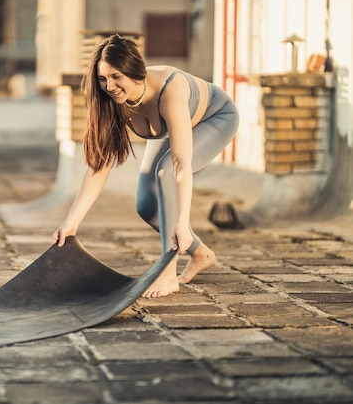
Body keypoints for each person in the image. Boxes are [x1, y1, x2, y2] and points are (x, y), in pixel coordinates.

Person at [52, 34, 239, 298]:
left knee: (164, 174)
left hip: (215, 118)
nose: (109, 86)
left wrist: (183, 221)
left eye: (116, 77)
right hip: (172, 129)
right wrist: (71, 222)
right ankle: (201, 254)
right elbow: (99, 166)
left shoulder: (169, 92)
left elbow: (180, 164)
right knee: (147, 206)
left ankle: (167, 273)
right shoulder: (114, 101)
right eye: (103, 79)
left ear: (135, 72)